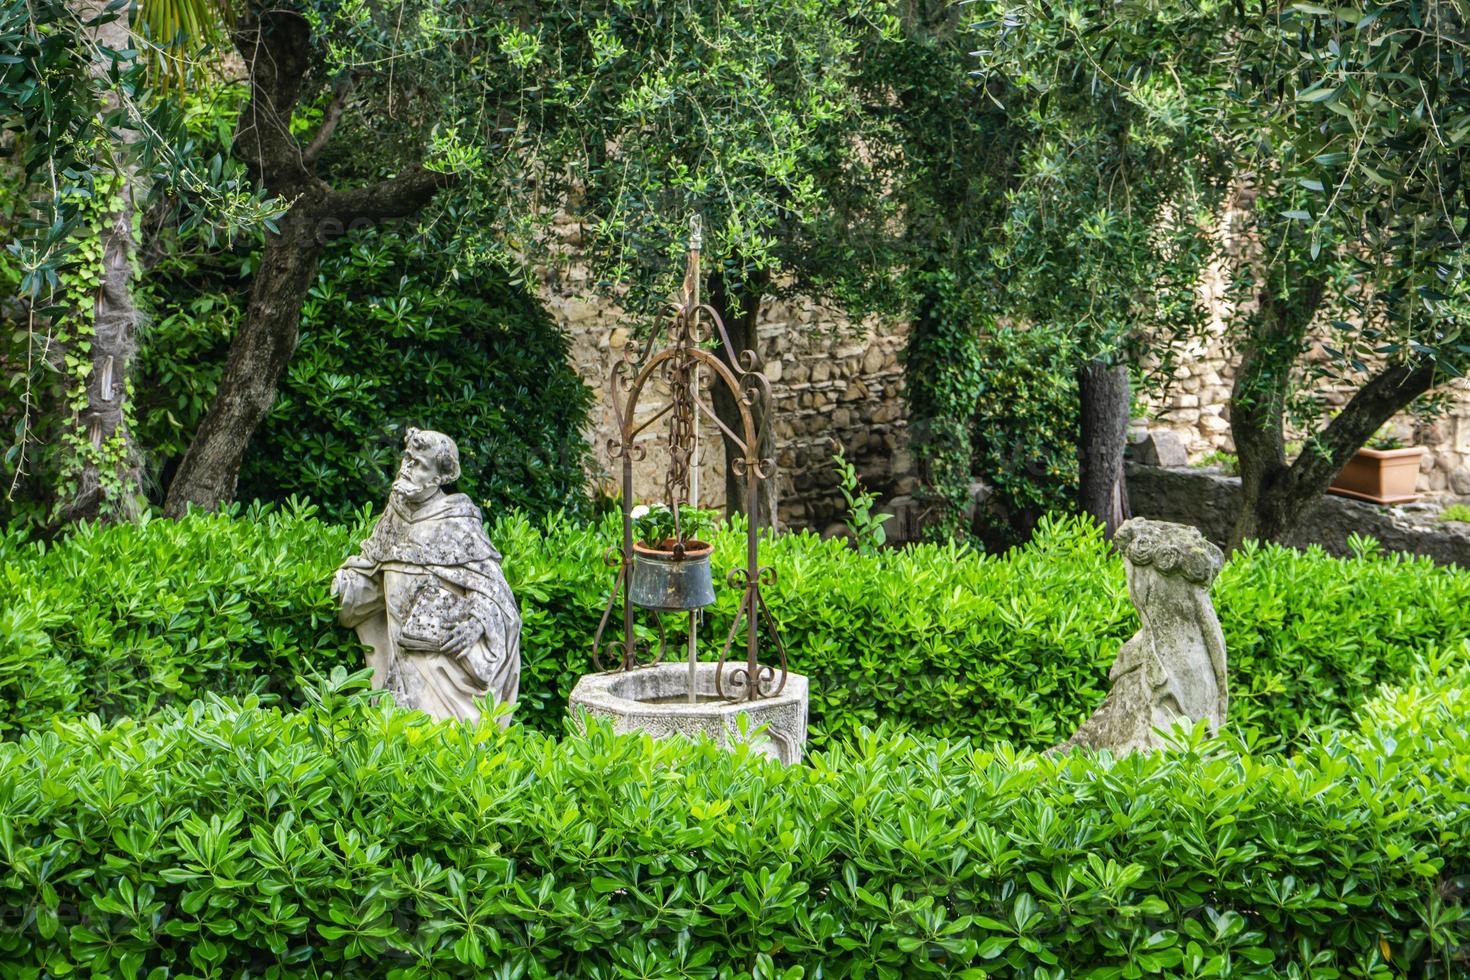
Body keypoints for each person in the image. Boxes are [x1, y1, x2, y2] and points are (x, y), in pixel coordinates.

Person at [332, 428, 520, 724]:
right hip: (401, 656)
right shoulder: (396, 513)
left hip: (442, 664)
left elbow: (495, 594)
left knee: (444, 740)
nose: (406, 468)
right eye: (407, 458)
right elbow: (373, 566)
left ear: (438, 478)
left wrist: (475, 625)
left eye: (418, 464)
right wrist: (348, 585)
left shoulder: (458, 523)